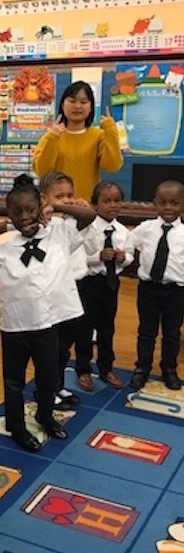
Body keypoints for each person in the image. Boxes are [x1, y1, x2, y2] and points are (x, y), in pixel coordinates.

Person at [0, 175, 96, 452]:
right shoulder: (3, 247)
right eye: (17, 213)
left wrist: (58, 208)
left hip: (47, 323)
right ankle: (17, 426)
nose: (25, 217)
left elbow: (89, 215)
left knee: (48, 377)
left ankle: (45, 415)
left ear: (40, 208)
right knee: (14, 381)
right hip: (15, 326)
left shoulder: (59, 232)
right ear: (9, 216)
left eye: (31, 210)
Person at [38, 171, 96, 405]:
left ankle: (58, 386)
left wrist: (67, 206)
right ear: (44, 198)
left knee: (65, 346)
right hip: (53, 292)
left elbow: (89, 215)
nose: (67, 199)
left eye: (70, 194)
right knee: (51, 347)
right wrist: (53, 207)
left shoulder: (72, 220)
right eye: (59, 196)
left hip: (75, 289)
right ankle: (47, 390)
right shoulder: (45, 223)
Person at [124, 180, 184, 391]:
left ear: (182, 205)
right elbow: (127, 243)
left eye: (175, 203)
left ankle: (169, 369)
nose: (168, 208)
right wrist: (128, 257)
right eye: (163, 203)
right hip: (148, 289)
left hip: (175, 291)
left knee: (172, 333)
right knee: (146, 331)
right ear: (155, 204)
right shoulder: (146, 228)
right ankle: (142, 368)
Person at [75, 181, 132, 390]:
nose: (112, 205)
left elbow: (129, 258)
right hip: (89, 282)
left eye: (117, 200)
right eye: (106, 201)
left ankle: (106, 368)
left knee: (107, 327)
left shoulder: (122, 231)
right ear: (95, 204)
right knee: (85, 327)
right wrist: (97, 256)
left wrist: (123, 257)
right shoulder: (87, 229)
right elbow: (78, 256)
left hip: (110, 283)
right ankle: (83, 369)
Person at [32, 81, 123, 202]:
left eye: (84, 102)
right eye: (72, 101)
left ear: (91, 107)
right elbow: (42, 171)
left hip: (87, 208)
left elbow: (112, 167)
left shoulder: (98, 136)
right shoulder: (51, 136)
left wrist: (110, 130)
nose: (78, 106)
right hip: (56, 208)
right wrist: (52, 137)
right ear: (63, 105)